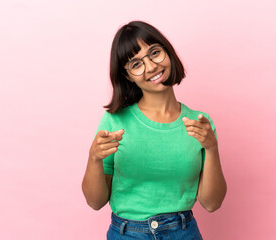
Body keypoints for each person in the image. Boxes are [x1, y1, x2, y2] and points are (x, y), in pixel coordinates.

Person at [82, 20, 227, 240]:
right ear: (128, 75)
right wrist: (93, 158)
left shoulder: (200, 123)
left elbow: (212, 203)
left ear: (168, 52)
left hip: (183, 233)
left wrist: (212, 148)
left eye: (155, 53)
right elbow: (95, 202)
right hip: (127, 234)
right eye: (136, 64)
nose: (151, 67)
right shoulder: (114, 121)